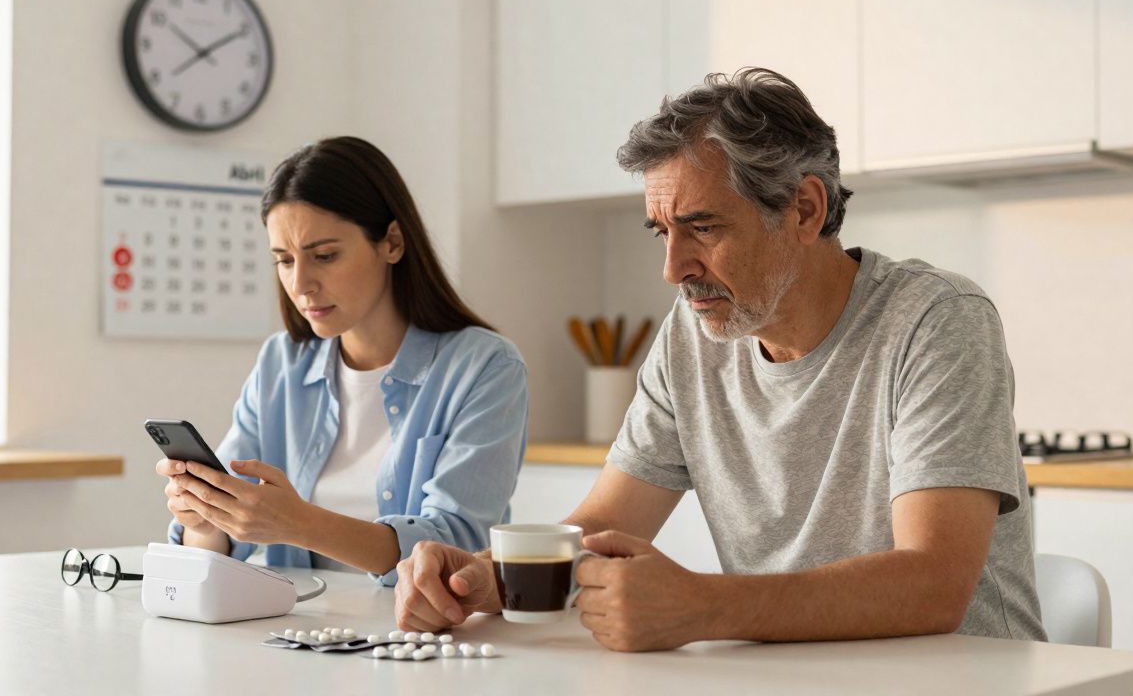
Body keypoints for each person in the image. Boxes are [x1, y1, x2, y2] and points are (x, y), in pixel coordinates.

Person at [393, 68, 1046, 647]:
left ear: (805, 209)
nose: (673, 269)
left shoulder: (936, 320)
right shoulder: (694, 335)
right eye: (662, 232)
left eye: (703, 228)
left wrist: (705, 606)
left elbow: (932, 582)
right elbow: (603, 523)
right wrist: (480, 576)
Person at [157, 136, 528, 584]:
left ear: (391, 242)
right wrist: (206, 522)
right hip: (302, 634)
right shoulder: (281, 364)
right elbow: (223, 547)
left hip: (422, 637)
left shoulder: (484, 367)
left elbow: (459, 544)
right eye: (284, 260)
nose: (301, 284)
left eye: (324, 256)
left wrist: (296, 523)